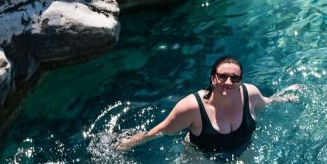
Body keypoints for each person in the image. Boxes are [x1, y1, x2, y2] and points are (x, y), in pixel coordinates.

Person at [117, 56, 299, 153]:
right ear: (213, 78)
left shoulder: (249, 93)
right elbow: (159, 131)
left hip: (242, 150)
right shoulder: (192, 107)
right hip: (201, 156)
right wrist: (129, 143)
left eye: (234, 78)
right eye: (223, 76)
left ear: (241, 81)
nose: (228, 81)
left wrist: (286, 99)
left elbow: (266, 103)